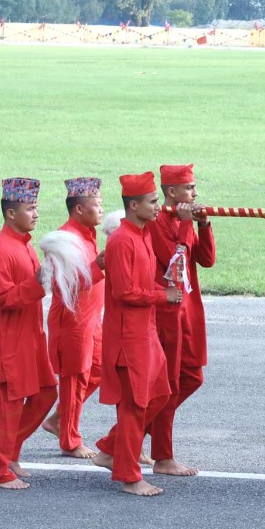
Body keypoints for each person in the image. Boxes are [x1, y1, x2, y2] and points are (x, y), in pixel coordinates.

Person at [92, 172, 181, 497]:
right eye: (153, 201)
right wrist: (163, 296)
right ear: (133, 205)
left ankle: (109, 448)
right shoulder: (121, 240)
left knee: (160, 395)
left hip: (146, 334)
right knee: (134, 406)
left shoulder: (142, 234)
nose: (159, 207)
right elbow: (126, 292)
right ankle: (130, 476)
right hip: (128, 339)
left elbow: (141, 283)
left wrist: (163, 288)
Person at [0, 178, 58, 489]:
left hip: (30, 338)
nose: (36, 214)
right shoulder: (0, 250)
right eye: (30, 208)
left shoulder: (23, 245)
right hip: (7, 343)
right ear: (11, 214)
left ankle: (11, 452)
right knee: (7, 406)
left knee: (46, 392)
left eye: (36, 207)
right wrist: (38, 284)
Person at [145, 164, 216, 477]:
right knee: (170, 384)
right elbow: (176, 260)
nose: (196, 194)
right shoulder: (158, 222)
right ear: (172, 192)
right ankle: (161, 455)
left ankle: (127, 437)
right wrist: (187, 225)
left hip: (189, 310)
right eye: (190, 188)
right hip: (168, 312)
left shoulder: (179, 219)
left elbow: (207, 260)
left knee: (191, 377)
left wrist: (204, 225)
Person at [40, 177, 106, 459]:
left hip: (92, 319)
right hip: (73, 321)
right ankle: (70, 440)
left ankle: (58, 419)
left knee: (99, 369)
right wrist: (100, 265)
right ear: (79, 209)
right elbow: (61, 285)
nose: (102, 210)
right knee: (75, 378)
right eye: (97, 205)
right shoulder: (63, 239)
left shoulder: (89, 233)